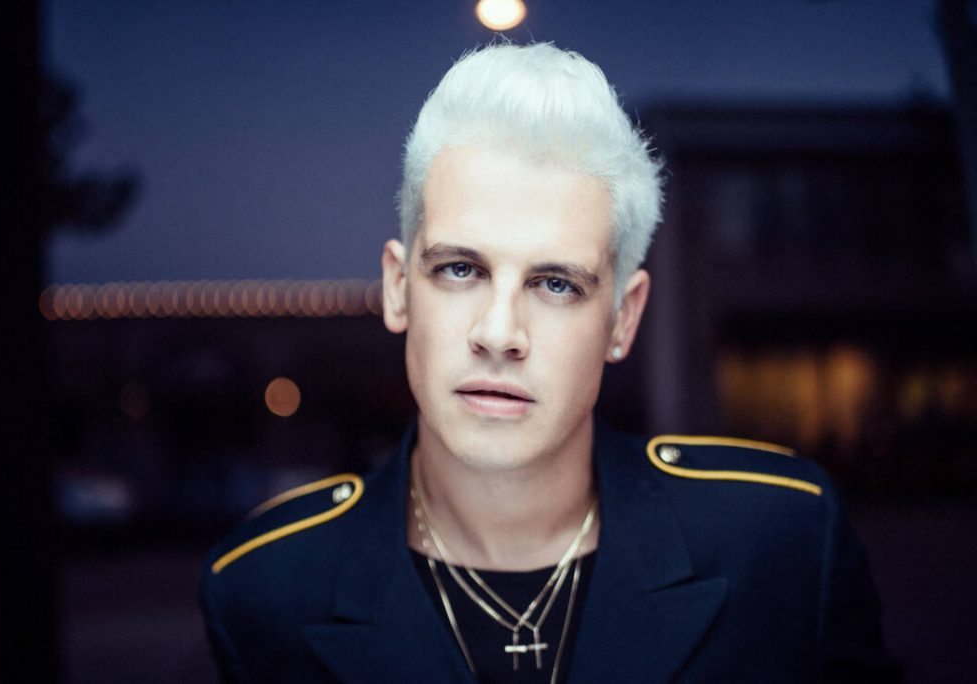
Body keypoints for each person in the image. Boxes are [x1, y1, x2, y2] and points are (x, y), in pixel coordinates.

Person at [200, 42, 897, 683]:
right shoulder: (264, 589)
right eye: (461, 269)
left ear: (622, 319)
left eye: (556, 284)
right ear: (398, 288)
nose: (499, 334)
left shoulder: (781, 542)